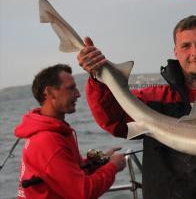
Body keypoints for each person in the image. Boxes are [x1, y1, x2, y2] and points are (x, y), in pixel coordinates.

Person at [77, 15, 196, 199]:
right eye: (186, 46)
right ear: (176, 52)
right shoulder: (154, 98)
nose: (195, 53)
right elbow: (114, 122)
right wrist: (97, 78)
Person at [14, 64, 126, 199]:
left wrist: (97, 163)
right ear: (49, 92)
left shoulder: (55, 131)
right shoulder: (48, 140)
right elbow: (83, 192)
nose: (78, 94)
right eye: (71, 88)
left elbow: (65, 171)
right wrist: (113, 167)